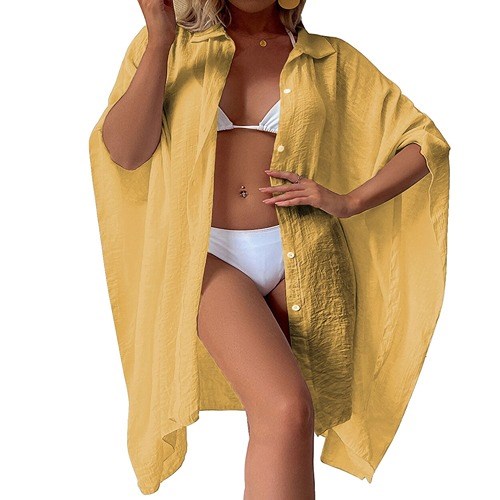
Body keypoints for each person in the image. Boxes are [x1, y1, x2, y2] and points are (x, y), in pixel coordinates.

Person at [89, 0, 450, 496]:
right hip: (210, 255)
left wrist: (348, 202)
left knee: (286, 423)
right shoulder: (174, 46)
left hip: (303, 256)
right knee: (286, 407)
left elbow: (425, 144)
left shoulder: (330, 60)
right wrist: (158, 39)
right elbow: (125, 153)